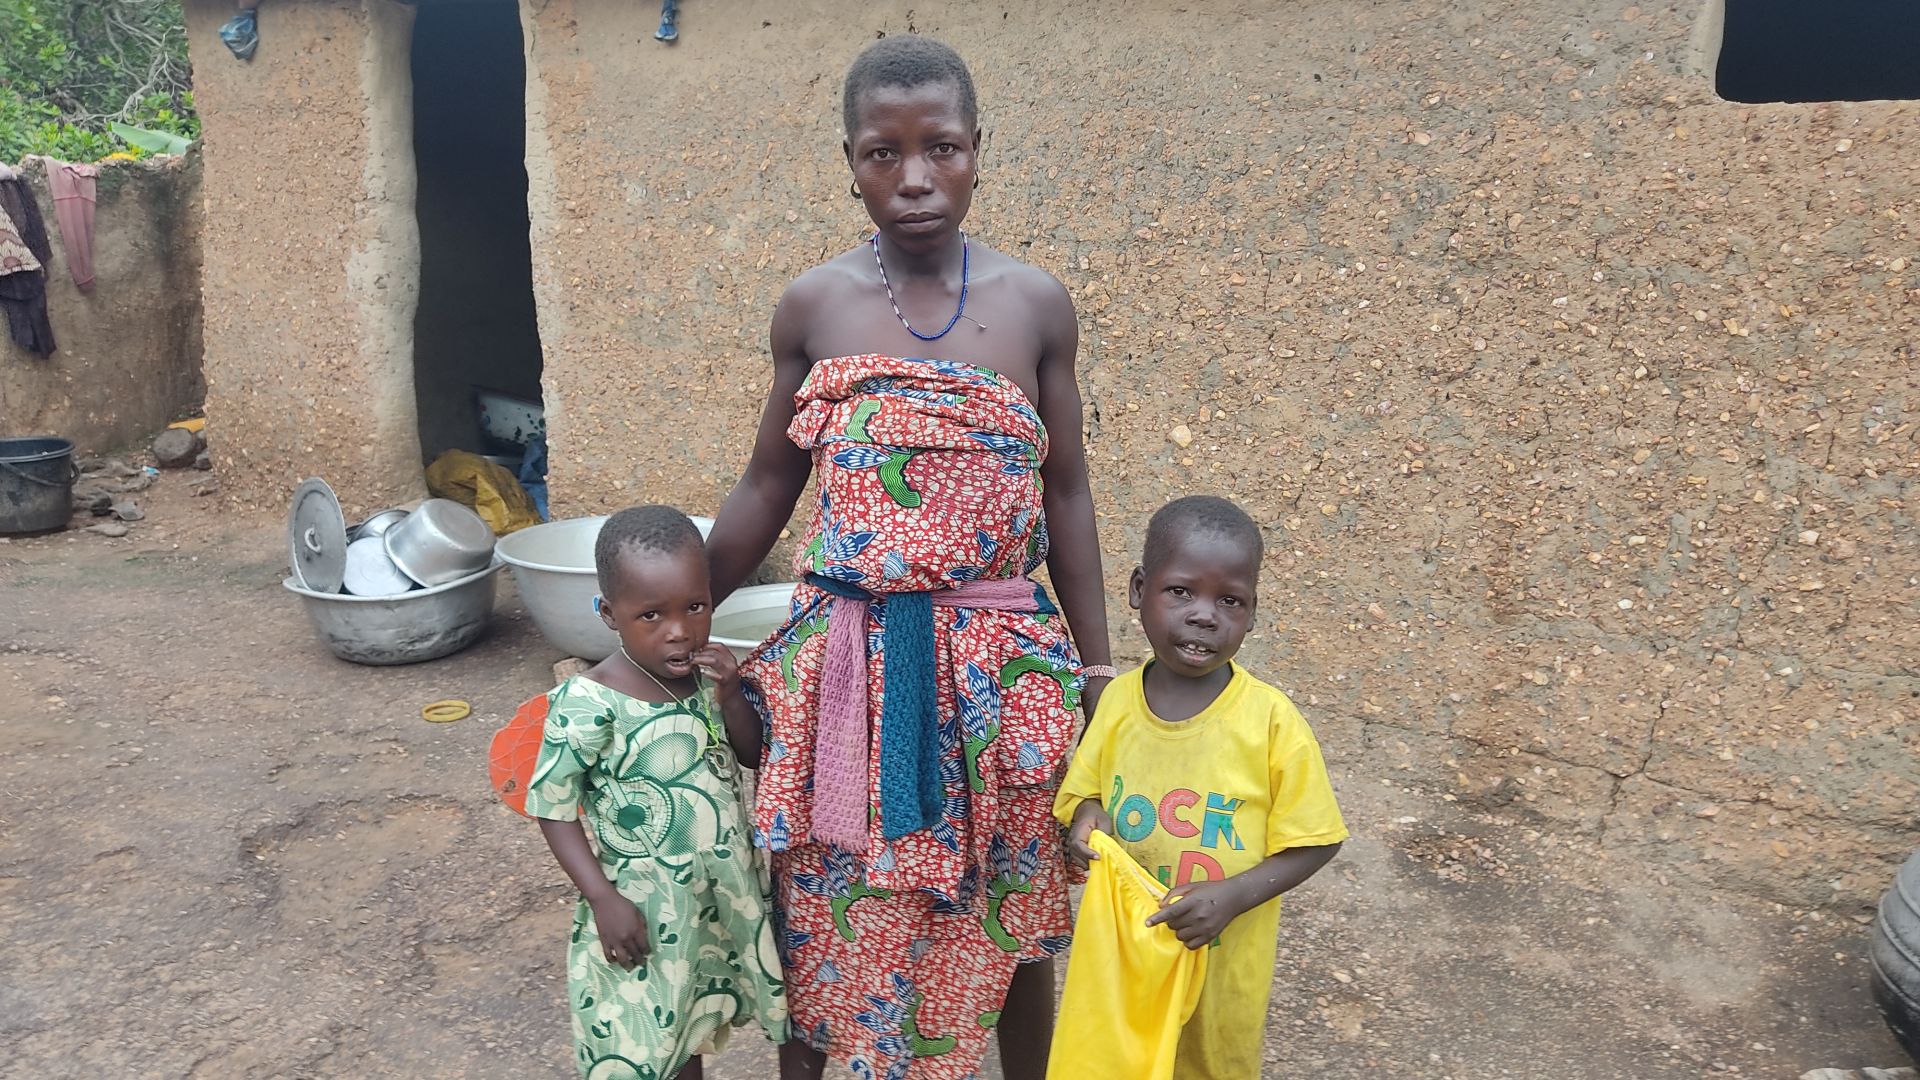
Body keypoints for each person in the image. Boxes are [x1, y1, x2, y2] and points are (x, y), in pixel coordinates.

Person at [703, 34, 1116, 1080]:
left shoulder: (1034, 305)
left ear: (978, 149)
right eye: (883, 153)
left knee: (1009, 902)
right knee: (826, 896)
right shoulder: (815, 306)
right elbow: (766, 486)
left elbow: (1067, 491)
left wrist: (1098, 666)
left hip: (1001, 673)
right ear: (850, 163)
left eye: (941, 147)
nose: (916, 177)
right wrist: (665, 621)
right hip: (849, 668)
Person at [1055, 496, 1348, 1080]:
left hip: (1221, 967)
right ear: (1140, 590)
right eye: (1181, 592)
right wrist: (1087, 819)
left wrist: (1233, 896)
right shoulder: (1116, 704)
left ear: (1252, 614)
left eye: (1230, 601)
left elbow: (1318, 840)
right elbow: (1083, 796)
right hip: (1128, 964)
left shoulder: (1271, 723)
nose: (1205, 615)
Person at [524, 506, 786, 1080]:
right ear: (609, 614)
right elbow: (552, 808)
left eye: (695, 606)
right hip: (644, 905)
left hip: (717, 894)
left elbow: (751, 756)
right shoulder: (590, 703)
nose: (679, 630)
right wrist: (602, 898)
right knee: (652, 1037)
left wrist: (733, 696)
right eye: (651, 614)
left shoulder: (708, 682)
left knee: (689, 1018)